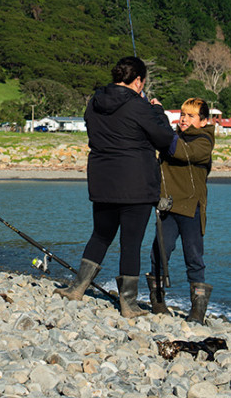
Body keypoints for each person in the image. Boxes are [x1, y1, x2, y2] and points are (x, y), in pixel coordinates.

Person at [56, 56, 174, 318]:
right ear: (139, 81)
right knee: (130, 243)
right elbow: (164, 138)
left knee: (100, 235)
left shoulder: (94, 102)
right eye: (143, 82)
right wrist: (158, 111)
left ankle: (77, 287)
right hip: (136, 184)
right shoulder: (139, 106)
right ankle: (128, 304)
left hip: (103, 179)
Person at [147, 97, 214, 323]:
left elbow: (181, 152)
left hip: (191, 207)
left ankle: (197, 312)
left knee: (194, 258)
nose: (184, 119)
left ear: (203, 121)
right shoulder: (174, 137)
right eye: (183, 115)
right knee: (159, 253)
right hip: (168, 205)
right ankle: (158, 302)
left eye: (191, 116)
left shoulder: (204, 141)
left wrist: (162, 118)